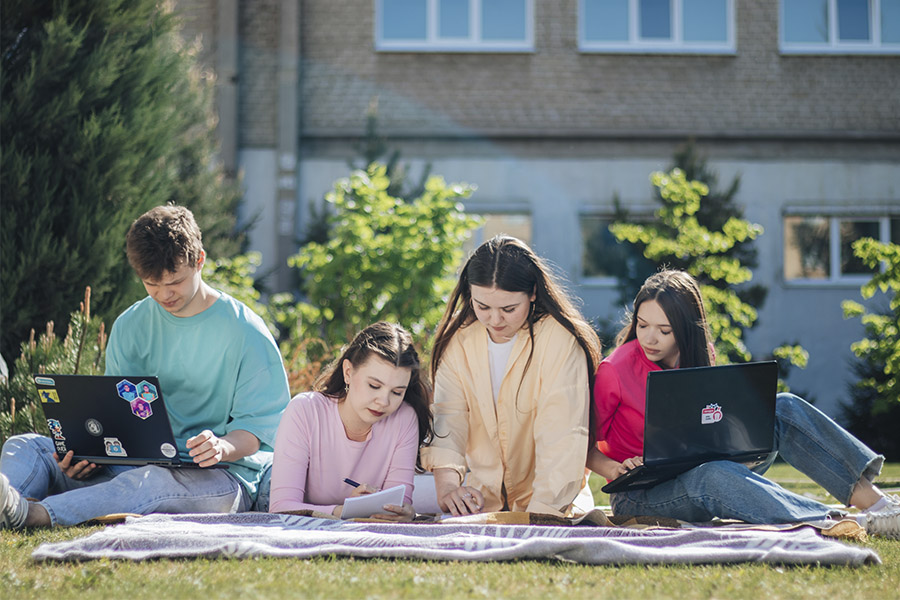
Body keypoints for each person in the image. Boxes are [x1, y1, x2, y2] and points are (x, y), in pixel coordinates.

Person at [0, 205, 290, 529]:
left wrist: (221, 446)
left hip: (218, 478)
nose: (164, 295)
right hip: (130, 470)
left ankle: (35, 515)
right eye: (151, 284)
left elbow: (256, 432)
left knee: (152, 482)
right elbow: (117, 421)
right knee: (25, 446)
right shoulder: (130, 325)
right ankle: (7, 505)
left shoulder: (246, 332)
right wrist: (90, 457)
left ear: (200, 261)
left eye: (175, 282)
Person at [588, 269, 900, 538]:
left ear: (685, 329)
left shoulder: (701, 353)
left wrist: (740, 436)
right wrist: (616, 468)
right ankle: (839, 523)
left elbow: (708, 420)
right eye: (642, 325)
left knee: (784, 408)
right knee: (713, 476)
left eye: (664, 330)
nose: (650, 339)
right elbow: (582, 443)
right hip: (642, 494)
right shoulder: (614, 370)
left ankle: (878, 504)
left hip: (703, 465)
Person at [421, 236, 603, 517]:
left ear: (532, 293)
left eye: (508, 309)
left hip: (554, 506)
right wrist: (447, 488)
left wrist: (541, 514)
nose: (495, 320)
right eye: (482, 307)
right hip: (485, 504)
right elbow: (449, 416)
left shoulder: (560, 339)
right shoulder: (457, 340)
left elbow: (562, 434)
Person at [268, 321, 433, 521]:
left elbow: (397, 506)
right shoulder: (305, 410)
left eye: (397, 392)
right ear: (348, 372)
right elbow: (281, 507)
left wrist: (400, 512)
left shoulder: (404, 418)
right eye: (374, 385)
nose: (383, 401)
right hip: (265, 487)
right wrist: (345, 510)